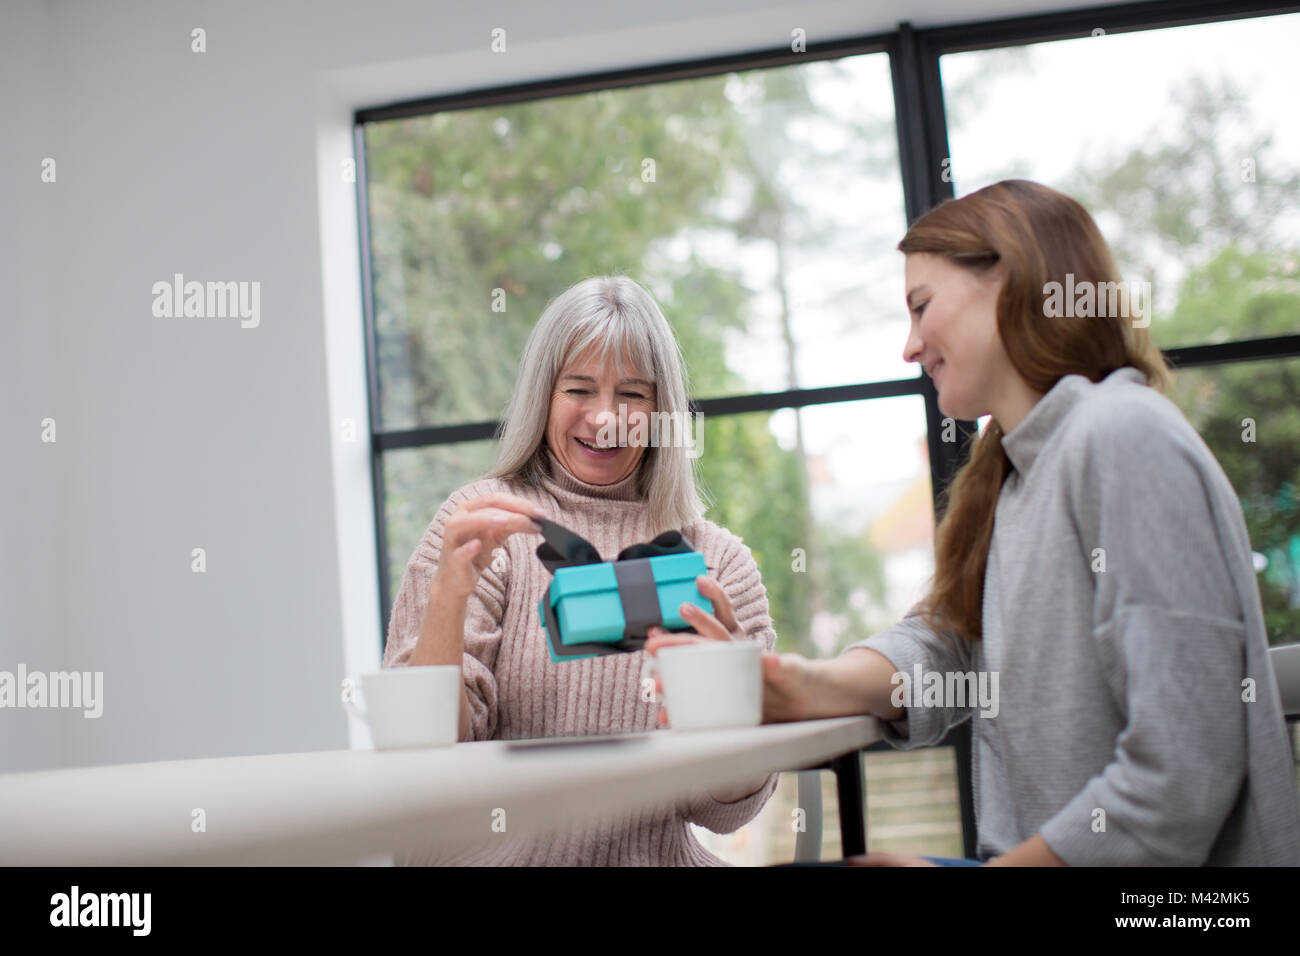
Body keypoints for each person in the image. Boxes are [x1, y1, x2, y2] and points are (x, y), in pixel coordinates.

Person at [648, 179, 1300, 866]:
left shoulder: (1122, 437)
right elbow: (952, 646)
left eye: (921, 307)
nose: (909, 346)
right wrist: (796, 683)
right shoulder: (1015, 477)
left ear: (1010, 279)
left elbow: (1185, 766)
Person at [382, 275, 778, 865]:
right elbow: (427, 761)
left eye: (634, 395)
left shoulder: (717, 561)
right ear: (542, 396)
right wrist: (447, 595)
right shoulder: (482, 529)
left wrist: (727, 707)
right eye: (579, 389)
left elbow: (725, 811)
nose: (605, 418)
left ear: (662, 411)